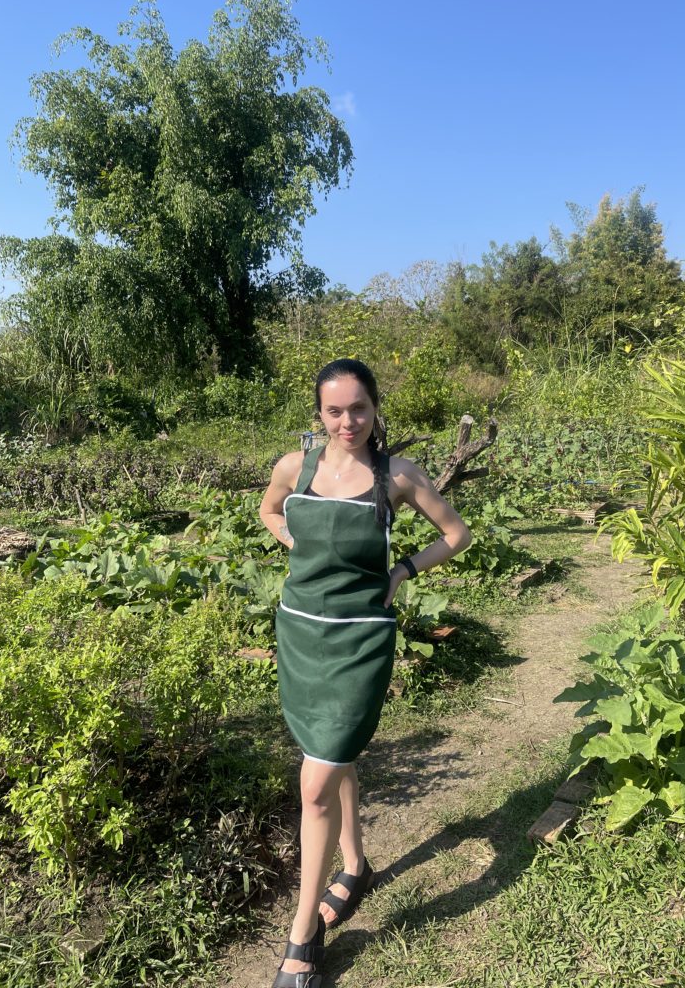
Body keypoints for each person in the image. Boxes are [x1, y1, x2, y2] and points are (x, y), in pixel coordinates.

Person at [259, 358, 472, 987]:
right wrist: (298, 543)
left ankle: (302, 936)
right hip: (300, 634)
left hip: (359, 643)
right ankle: (355, 865)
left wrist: (402, 570)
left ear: (375, 409)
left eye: (359, 408)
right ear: (319, 414)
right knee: (334, 753)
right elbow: (271, 513)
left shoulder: (396, 476)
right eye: (334, 410)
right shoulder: (293, 469)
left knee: (316, 783)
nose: (347, 421)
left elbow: (456, 534)